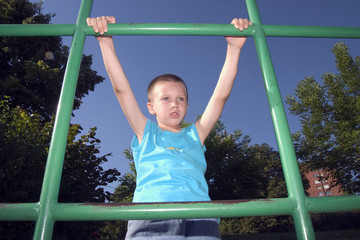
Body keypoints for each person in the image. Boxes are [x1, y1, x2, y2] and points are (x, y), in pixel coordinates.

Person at [87, 16, 252, 240]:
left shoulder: (196, 134)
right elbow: (122, 90)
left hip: (200, 216)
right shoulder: (146, 132)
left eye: (181, 99)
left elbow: (220, 96)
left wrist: (234, 49)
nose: (175, 103)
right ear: (151, 107)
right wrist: (105, 43)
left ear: (187, 105)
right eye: (165, 98)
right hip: (152, 215)